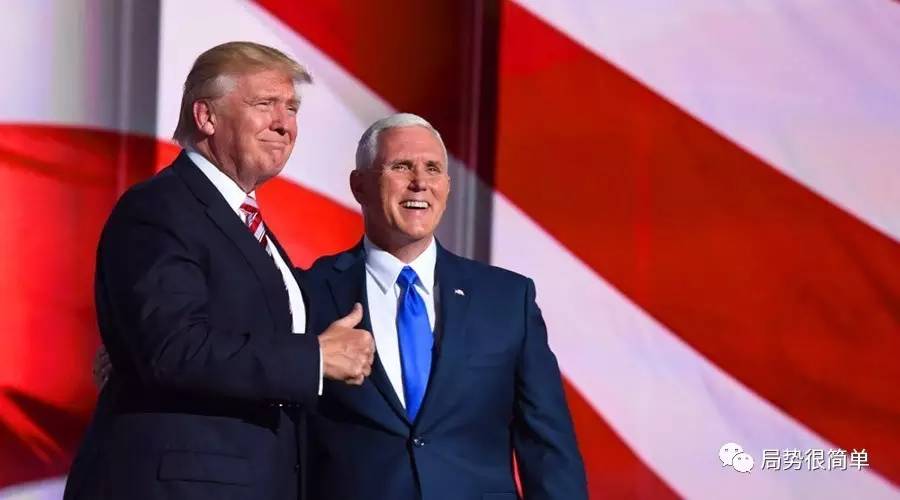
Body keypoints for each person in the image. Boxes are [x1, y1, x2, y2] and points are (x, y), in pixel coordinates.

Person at [64, 41, 374, 500]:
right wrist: (313, 359)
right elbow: (173, 348)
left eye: (291, 108)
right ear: (206, 116)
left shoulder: (243, 222)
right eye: (264, 104)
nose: (284, 123)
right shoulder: (159, 208)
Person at [301, 113, 588, 500]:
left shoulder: (507, 299)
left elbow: (549, 451)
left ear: (447, 187)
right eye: (401, 166)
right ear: (360, 185)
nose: (420, 181)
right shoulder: (310, 293)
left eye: (433, 168)